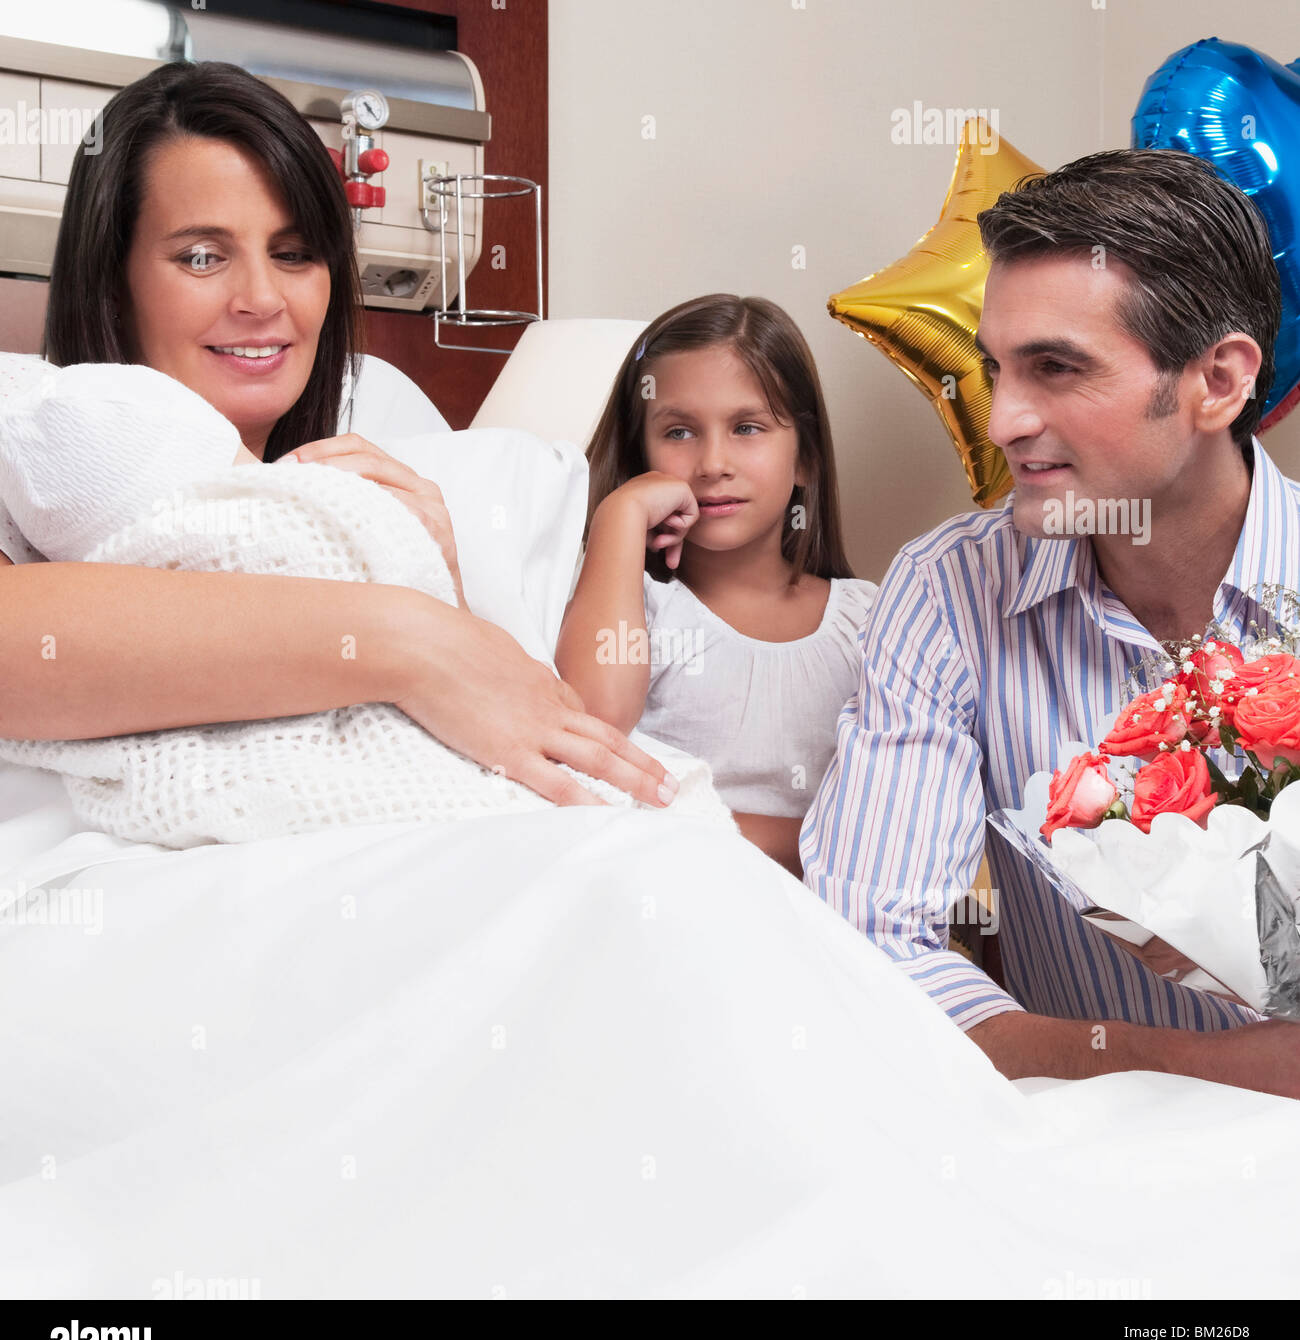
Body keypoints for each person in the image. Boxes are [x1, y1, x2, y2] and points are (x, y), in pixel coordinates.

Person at [0, 60, 673, 814]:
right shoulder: (26, 431)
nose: (261, 299)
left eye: (294, 254)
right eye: (201, 256)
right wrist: (413, 641)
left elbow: (519, 724)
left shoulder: (384, 430)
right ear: (111, 280)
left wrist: (440, 583)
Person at [801, 146, 1300, 1100]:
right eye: (998, 368)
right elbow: (872, 948)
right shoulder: (950, 589)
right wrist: (1205, 1072)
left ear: (1220, 382)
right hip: (1083, 1160)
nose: (1002, 422)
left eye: (1056, 369)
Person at [557, 294, 875, 873]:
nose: (712, 464)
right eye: (679, 432)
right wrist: (619, 518)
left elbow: (889, 826)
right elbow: (594, 734)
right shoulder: (635, 608)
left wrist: (695, 824)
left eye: (747, 427)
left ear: (803, 457)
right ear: (638, 456)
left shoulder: (872, 621)